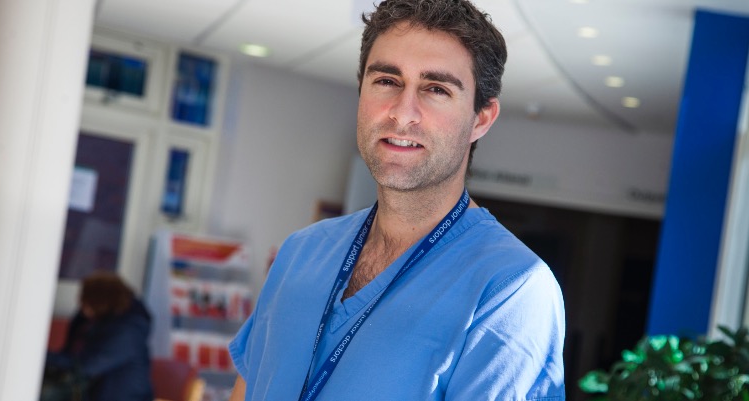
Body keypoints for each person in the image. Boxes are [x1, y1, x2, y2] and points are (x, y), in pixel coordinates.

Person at [228, 0, 565, 400]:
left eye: (436, 89)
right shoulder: (300, 253)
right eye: (387, 81)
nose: (402, 114)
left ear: (481, 119)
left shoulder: (511, 290)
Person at [43, 271, 154, 401]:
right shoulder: (88, 320)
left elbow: (87, 366)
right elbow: (69, 353)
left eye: (87, 301)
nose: (81, 305)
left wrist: (40, 357)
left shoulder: (128, 331)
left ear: (101, 302)